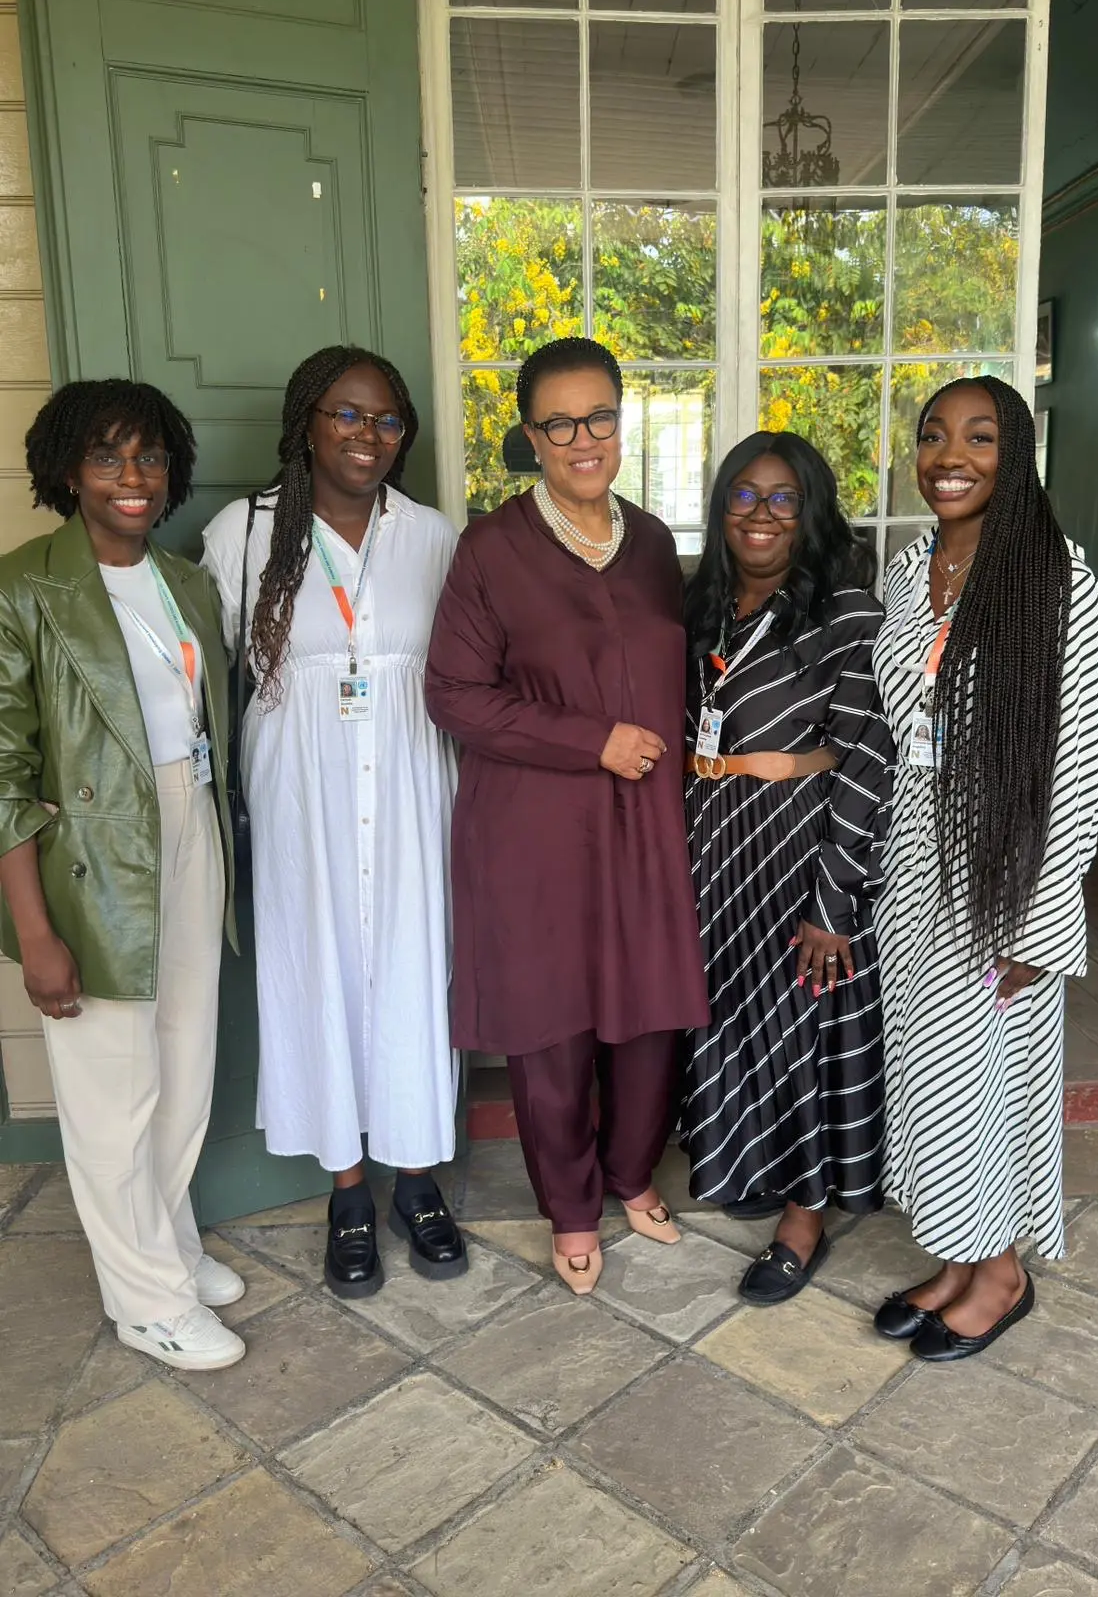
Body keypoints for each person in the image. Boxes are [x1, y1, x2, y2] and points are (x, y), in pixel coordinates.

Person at [425, 336, 709, 1294]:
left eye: (599, 418)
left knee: (648, 1010)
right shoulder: (491, 549)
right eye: (559, 423)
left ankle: (632, 1173)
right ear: (531, 435)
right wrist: (592, 740)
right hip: (535, 828)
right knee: (551, 1022)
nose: (583, 439)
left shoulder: (654, 544)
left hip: (646, 825)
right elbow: (454, 695)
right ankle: (573, 1208)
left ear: (621, 422)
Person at [201, 345, 465, 1299]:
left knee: (412, 978)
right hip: (301, 803)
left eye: (387, 420)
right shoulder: (243, 533)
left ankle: (416, 1182)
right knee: (317, 979)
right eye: (346, 414)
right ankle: (348, 1192)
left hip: (411, 797)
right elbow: (202, 677)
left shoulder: (431, 536)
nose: (367, 435)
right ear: (306, 421)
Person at [0, 380, 244, 1371]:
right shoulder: (24, 587)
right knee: (113, 1085)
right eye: (107, 456)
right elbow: (2, 773)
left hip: (192, 826)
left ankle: (167, 1241)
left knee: (184, 1061)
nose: (132, 476)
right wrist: (37, 933)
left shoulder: (184, 583)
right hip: (91, 856)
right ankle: (146, 1301)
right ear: (69, 472)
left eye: (148, 456)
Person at [873, 375, 1098, 1361]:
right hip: (911, 862)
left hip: (1003, 875)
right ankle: (959, 1254)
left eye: (979, 436)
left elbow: (1075, 764)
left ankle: (1001, 1274)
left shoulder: (1061, 583)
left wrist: (1039, 926)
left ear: (1016, 454)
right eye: (934, 435)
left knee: (976, 1072)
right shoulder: (907, 570)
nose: (950, 456)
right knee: (925, 1071)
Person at [681, 432, 893, 1305]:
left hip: (801, 851)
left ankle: (805, 1217)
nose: (760, 514)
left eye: (782, 499)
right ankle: (751, 1166)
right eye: (743, 495)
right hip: (714, 847)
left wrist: (834, 903)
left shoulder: (846, 613)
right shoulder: (705, 604)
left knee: (803, 1026)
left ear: (810, 512)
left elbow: (870, 758)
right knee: (732, 1017)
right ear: (720, 507)